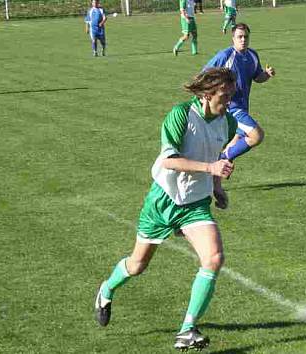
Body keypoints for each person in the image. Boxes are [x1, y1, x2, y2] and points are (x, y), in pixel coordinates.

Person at [94, 68, 239, 351]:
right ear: (207, 94)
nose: (229, 101)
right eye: (225, 95)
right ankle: (107, 289)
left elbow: (217, 155)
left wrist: (217, 186)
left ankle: (187, 329)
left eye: (232, 95)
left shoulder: (228, 123)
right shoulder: (181, 115)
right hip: (163, 201)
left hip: (195, 204)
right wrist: (210, 168)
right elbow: (169, 161)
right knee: (138, 265)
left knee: (214, 258)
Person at [204, 23, 275, 161]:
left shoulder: (252, 55)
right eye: (240, 37)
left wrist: (266, 74)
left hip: (243, 107)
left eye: (246, 37)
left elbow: (257, 77)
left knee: (235, 142)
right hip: (230, 108)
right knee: (256, 135)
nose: (243, 40)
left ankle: (217, 168)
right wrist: (209, 96)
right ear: (233, 39)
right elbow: (204, 74)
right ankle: (223, 158)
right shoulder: (225, 56)